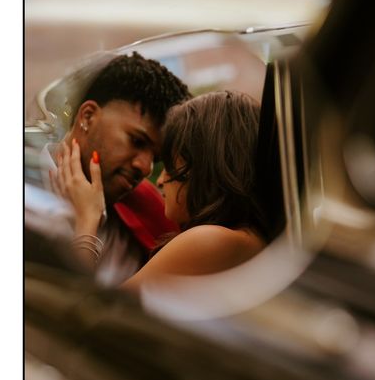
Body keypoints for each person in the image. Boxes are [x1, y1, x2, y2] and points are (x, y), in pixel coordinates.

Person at [52, 90, 268, 293]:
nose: (161, 179)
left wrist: (88, 218)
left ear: (205, 168)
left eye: (170, 165)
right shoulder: (248, 238)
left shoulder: (210, 240)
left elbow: (88, 312)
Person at [41, 51, 191, 285]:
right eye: (137, 141)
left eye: (156, 157)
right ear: (88, 117)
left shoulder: (148, 212)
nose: (145, 167)